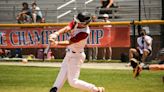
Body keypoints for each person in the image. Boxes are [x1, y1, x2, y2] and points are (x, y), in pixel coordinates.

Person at [48, 12, 105, 92]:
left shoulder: (84, 33)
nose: (77, 23)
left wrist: (56, 43)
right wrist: (56, 33)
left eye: (79, 22)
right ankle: (54, 90)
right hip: (69, 54)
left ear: (85, 23)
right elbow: (68, 27)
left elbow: (69, 42)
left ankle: (95, 90)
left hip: (76, 57)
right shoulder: (77, 22)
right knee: (61, 76)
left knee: (73, 82)